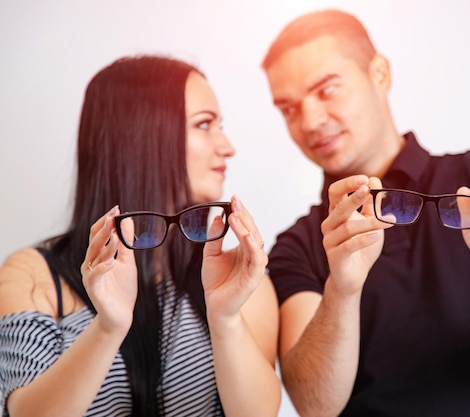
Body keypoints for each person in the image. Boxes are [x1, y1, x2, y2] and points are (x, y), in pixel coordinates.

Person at [261, 9, 470, 417]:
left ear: (379, 74)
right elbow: (316, 406)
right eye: (289, 109)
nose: (310, 121)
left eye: (327, 90)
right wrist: (342, 291)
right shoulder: (298, 245)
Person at [0, 55, 281, 417]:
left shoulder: (235, 276)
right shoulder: (34, 273)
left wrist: (226, 318)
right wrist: (107, 328)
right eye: (205, 124)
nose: (227, 147)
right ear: (143, 133)